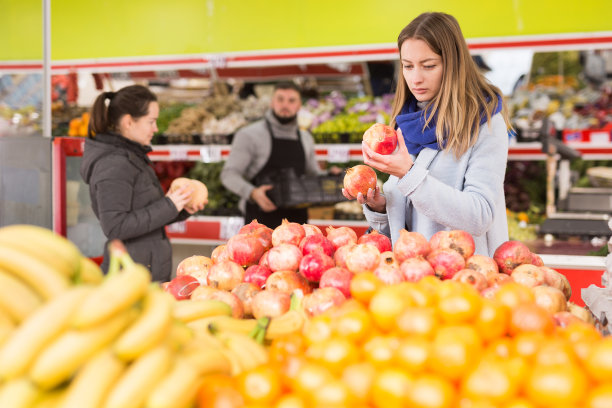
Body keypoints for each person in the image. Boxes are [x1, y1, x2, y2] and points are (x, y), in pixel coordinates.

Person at [343, 12, 511, 257]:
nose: (415, 78)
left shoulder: (484, 123)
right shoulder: (407, 123)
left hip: (464, 278)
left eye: (428, 66)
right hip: (415, 276)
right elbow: (410, 223)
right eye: (407, 66)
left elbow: (480, 215)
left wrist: (408, 175)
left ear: (453, 64)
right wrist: (381, 206)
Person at [80, 85, 204, 282]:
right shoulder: (113, 165)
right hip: (128, 277)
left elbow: (144, 215)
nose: (156, 128)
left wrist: (181, 208)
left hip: (144, 271)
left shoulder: (132, 156)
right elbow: (116, 226)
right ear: (129, 122)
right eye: (151, 121)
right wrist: (169, 205)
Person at [221, 81, 322, 229]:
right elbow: (228, 174)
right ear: (271, 102)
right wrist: (252, 193)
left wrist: (329, 176)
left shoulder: (306, 137)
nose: (285, 105)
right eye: (280, 99)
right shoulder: (249, 134)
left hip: (297, 227)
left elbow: (313, 174)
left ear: (299, 105)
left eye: (291, 100)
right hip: (259, 225)